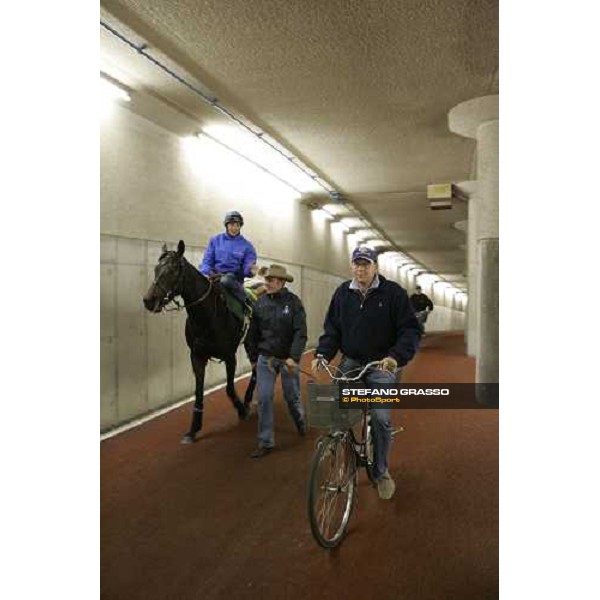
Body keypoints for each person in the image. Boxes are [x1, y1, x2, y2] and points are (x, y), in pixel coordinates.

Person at [311, 246, 421, 499]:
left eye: (366, 264)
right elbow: (332, 330)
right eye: (357, 264)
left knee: (381, 417)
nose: (361, 269)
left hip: (381, 365)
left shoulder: (393, 293)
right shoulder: (343, 293)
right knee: (336, 403)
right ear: (352, 266)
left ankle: (381, 472)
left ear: (375, 267)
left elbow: (410, 330)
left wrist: (395, 357)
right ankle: (337, 439)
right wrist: (323, 354)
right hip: (352, 360)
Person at [244, 264, 308, 458]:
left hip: (288, 359)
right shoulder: (260, 303)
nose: (268, 283)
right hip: (266, 359)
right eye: (267, 280)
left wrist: (293, 357)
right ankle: (265, 441)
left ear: (281, 282)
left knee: (292, 397)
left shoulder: (294, 303)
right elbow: (251, 335)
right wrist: (254, 358)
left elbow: (300, 333)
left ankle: (300, 420)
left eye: (271, 281)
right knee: (264, 398)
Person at [199, 210, 257, 311]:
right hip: (214, 277)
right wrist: (207, 272)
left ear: (240, 226)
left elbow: (248, 266)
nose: (234, 228)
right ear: (227, 225)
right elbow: (207, 261)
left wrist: (250, 270)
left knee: (226, 280)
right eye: (231, 225)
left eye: (237, 225)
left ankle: (247, 301)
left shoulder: (247, 246)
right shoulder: (215, 240)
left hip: (233, 280)